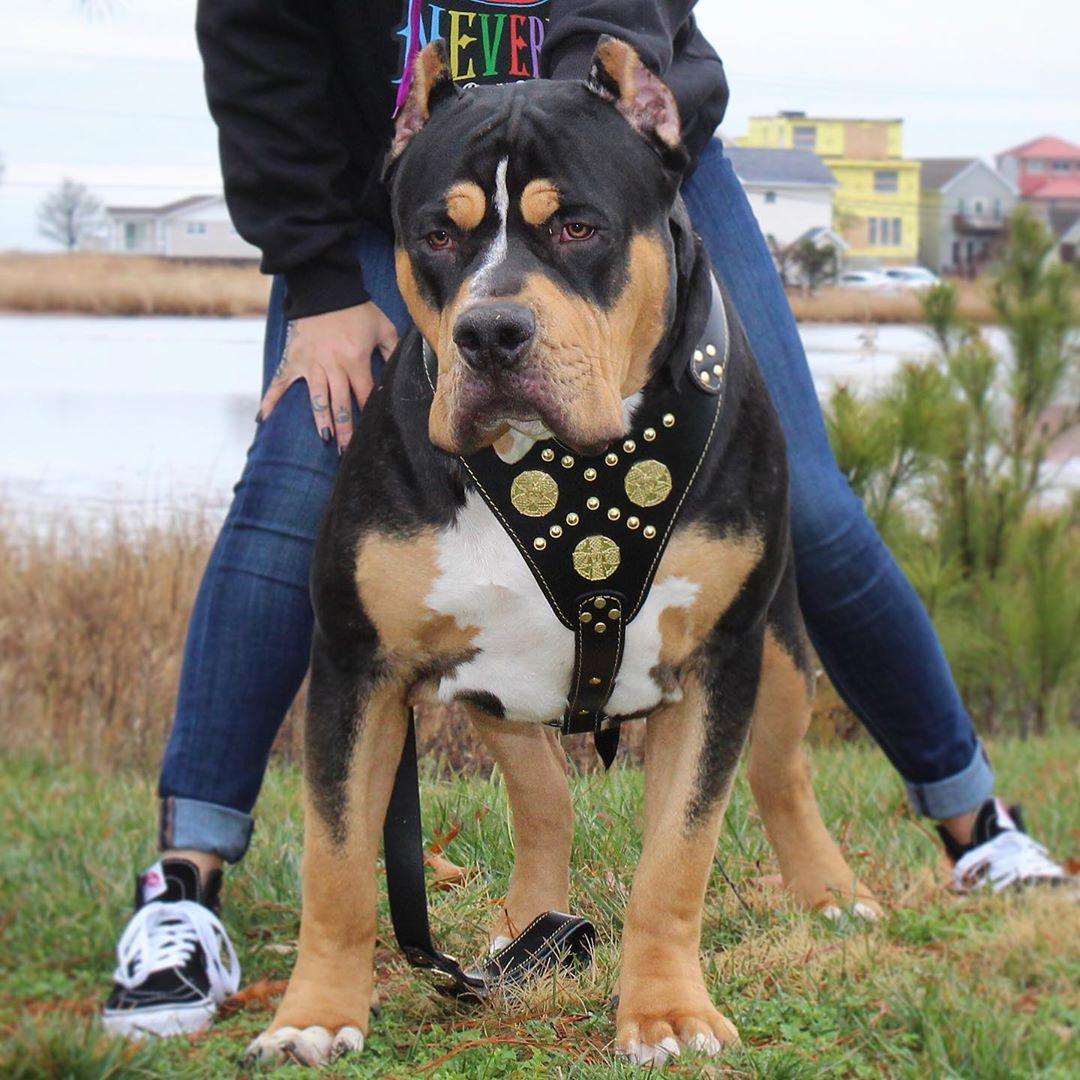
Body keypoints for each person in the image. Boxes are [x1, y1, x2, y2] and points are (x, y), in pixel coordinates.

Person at [102, 0, 1072, 1040]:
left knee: (815, 515)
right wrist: (315, 275)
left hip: (611, 155)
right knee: (293, 499)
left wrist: (596, 118)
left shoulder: (629, 150)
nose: (503, 314)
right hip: (406, 183)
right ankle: (185, 887)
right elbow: (256, 38)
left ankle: (972, 820)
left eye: (567, 238)